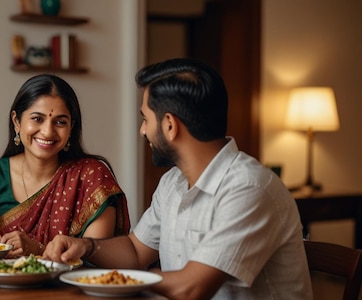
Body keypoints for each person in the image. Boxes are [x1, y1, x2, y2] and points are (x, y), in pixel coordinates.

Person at [43, 58, 312, 299]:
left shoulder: (249, 188)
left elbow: (191, 289)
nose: (142, 130)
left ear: (170, 125)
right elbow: (136, 253)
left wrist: (109, 280)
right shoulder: (173, 182)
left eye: (146, 119)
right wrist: (85, 246)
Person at [0, 74, 131, 258]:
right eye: (37, 119)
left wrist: (39, 251)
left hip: (74, 286)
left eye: (60, 122)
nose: (47, 131)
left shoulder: (92, 177)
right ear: (17, 121)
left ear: (71, 128)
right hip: (3, 286)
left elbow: (96, 262)